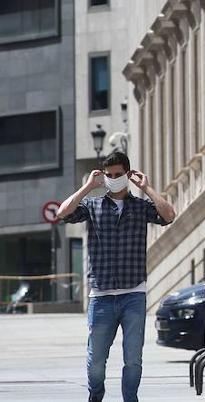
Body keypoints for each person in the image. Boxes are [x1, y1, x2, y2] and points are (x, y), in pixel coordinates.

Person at [56, 150, 176, 402]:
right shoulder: (92, 205)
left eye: (118, 174)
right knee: (96, 362)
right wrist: (88, 186)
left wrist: (148, 188)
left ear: (128, 174)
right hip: (101, 296)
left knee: (133, 358)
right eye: (109, 175)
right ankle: (95, 395)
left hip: (133, 294)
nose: (113, 178)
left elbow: (169, 215)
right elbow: (63, 213)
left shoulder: (141, 207)